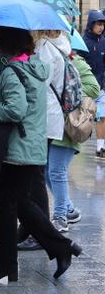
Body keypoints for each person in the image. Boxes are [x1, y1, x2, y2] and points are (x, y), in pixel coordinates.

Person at [0, 26, 82, 283]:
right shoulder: (32, 65)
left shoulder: (12, 70)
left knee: (5, 205)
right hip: (31, 145)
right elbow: (19, 93)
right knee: (19, 204)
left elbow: (15, 108)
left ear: (3, 42)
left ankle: (7, 264)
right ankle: (56, 249)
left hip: (16, 149)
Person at [45, 49, 99, 232]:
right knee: (47, 171)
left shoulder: (75, 60)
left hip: (68, 124)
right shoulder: (48, 58)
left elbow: (94, 88)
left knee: (56, 171)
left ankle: (60, 216)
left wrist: (69, 89)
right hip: (51, 123)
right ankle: (69, 209)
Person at [80, 10, 105, 157]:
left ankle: (100, 147)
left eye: (103, 24)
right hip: (87, 88)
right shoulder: (83, 43)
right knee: (84, 118)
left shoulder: (104, 42)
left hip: (101, 87)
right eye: (98, 24)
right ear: (91, 24)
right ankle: (76, 142)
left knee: (102, 117)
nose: (101, 27)